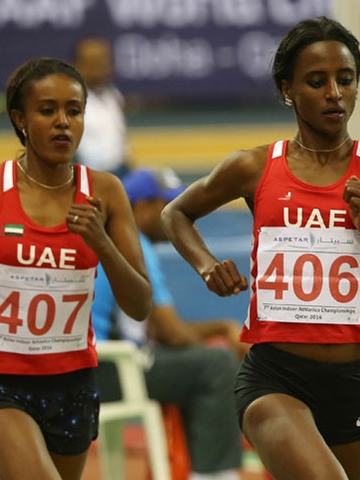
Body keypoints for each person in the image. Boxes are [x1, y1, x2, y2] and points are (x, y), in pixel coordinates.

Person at [161, 16, 360, 480]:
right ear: (287, 89)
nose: (335, 93)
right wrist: (206, 265)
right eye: (317, 82)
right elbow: (176, 214)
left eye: (345, 79)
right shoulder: (253, 166)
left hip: (353, 381)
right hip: (274, 378)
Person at [0, 57, 152, 480]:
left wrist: (101, 242)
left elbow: (140, 304)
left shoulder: (106, 191)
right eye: (47, 110)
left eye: (74, 111)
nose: (63, 122)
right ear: (20, 120)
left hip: (73, 386)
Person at [92, 168, 245, 480]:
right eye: (166, 204)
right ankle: (215, 477)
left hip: (92, 366)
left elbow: (161, 331)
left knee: (195, 365)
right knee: (215, 366)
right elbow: (173, 334)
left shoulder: (108, 238)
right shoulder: (133, 244)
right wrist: (225, 335)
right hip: (108, 371)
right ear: (141, 207)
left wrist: (221, 329)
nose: (173, 213)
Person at [73, 36, 132, 178]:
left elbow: (120, 140)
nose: (98, 68)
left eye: (102, 61)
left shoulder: (114, 95)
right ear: (77, 65)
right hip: (89, 174)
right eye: (91, 63)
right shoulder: (71, 101)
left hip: (121, 171)